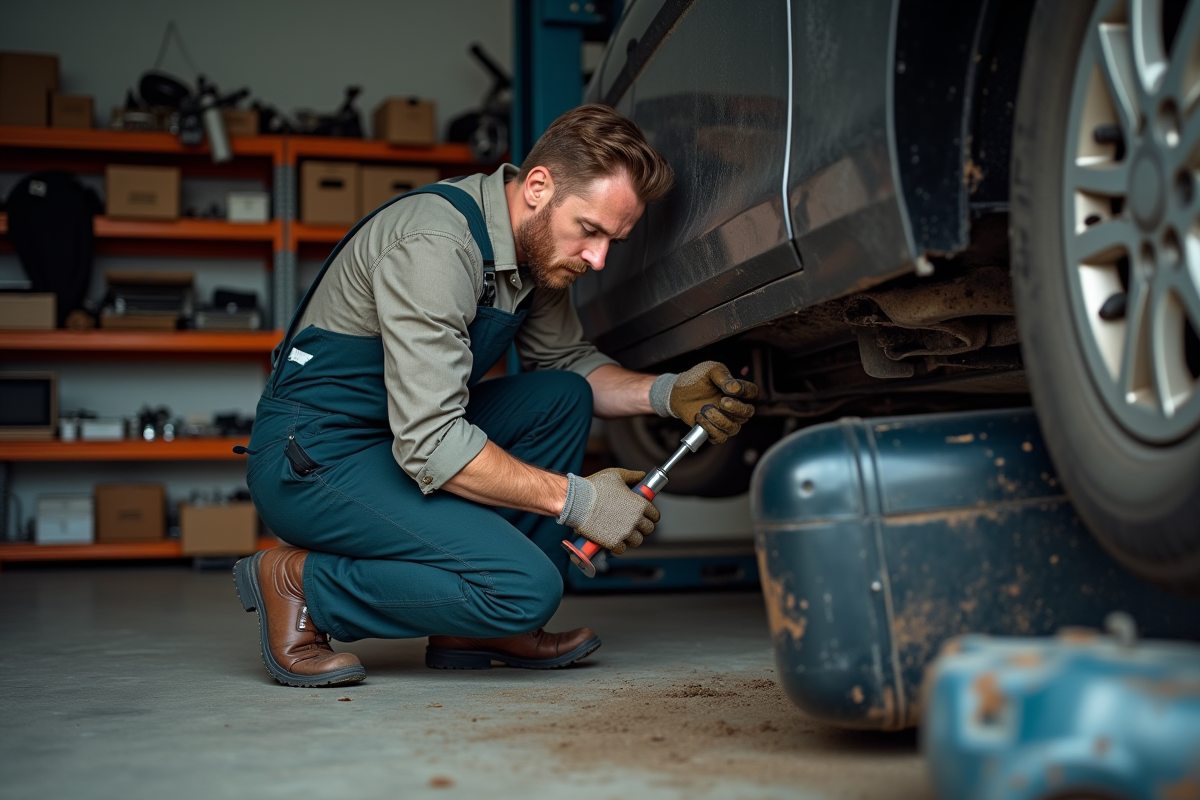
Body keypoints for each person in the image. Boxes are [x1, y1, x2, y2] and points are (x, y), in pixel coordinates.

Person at [233, 105, 759, 687]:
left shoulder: (534, 254)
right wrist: (580, 502)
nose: (598, 258)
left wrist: (665, 393)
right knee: (526, 589)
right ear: (538, 187)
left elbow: (568, 364)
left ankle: (478, 627)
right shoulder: (436, 246)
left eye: (614, 240)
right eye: (590, 230)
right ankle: (303, 586)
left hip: (391, 440)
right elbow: (431, 443)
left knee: (559, 396)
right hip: (315, 458)